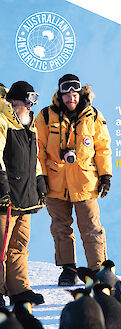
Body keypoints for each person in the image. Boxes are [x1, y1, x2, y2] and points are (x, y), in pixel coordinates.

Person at [35, 74, 112, 286]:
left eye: (74, 92)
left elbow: (103, 147)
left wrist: (105, 174)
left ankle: (97, 269)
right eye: (66, 92)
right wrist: (40, 177)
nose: (71, 97)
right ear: (60, 94)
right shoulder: (45, 116)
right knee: (61, 227)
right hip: (55, 182)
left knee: (91, 226)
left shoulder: (93, 116)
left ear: (80, 93)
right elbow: (38, 149)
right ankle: (68, 269)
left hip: (85, 183)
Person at [0, 81, 47, 305]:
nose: (30, 106)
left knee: (19, 246)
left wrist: (40, 183)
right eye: (27, 101)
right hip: (6, 198)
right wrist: (2, 189)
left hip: (24, 198)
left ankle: (19, 289)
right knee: (1, 246)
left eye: (33, 101)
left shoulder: (28, 126)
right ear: (13, 102)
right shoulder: (3, 121)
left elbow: (34, 160)